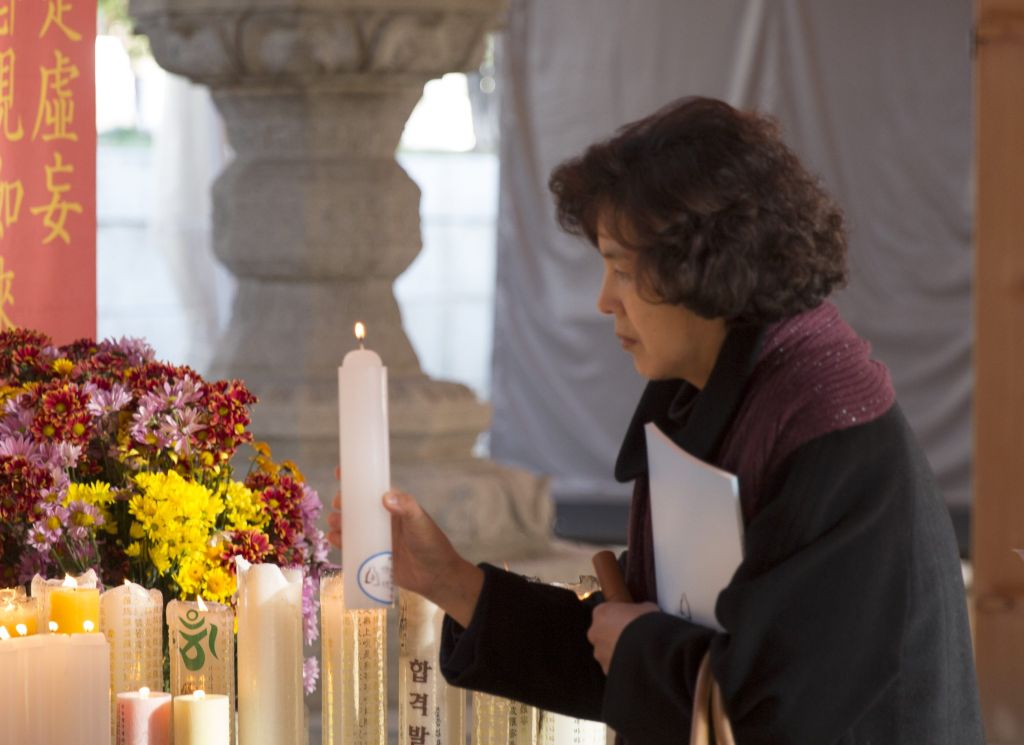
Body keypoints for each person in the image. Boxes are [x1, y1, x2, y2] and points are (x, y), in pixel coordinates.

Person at [328, 96, 985, 744]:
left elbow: (777, 710)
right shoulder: (716, 395)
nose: (603, 299)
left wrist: (641, 645)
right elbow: (630, 648)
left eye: (620, 268)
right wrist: (449, 578)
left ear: (702, 264)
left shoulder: (828, 429)